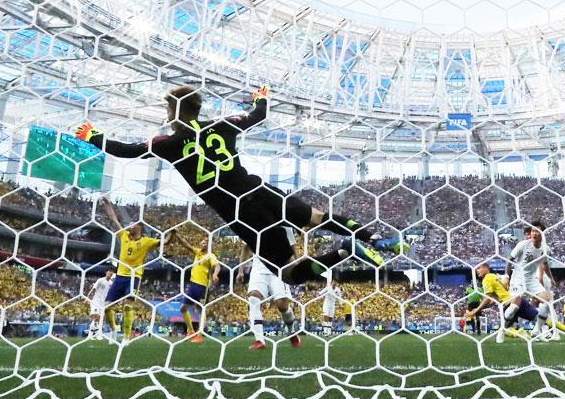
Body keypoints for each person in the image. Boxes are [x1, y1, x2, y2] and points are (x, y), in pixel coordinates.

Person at [75, 86, 397, 286]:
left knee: (288, 273)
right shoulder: (223, 125)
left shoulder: (167, 142)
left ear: (174, 111)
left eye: (167, 108)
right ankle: (372, 236)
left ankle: (345, 250)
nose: (166, 113)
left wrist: (94, 137)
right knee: (315, 216)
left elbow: (128, 150)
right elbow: (257, 115)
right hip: (257, 188)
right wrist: (261, 98)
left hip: (239, 211)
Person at [100, 198, 170, 345]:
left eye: (132, 224)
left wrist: (172, 233)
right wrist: (107, 203)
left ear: (139, 227)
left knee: (127, 305)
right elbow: (113, 219)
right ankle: (113, 331)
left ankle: (126, 337)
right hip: (120, 276)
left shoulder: (146, 241)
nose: (129, 226)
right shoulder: (124, 235)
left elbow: (165, 242)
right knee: (106, 307)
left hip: (134, 277)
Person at [468, 263, 565, 343]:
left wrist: (476, 310)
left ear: (486, 268)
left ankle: (522, 333)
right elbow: (494, 298)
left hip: (509, 304)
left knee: (505, 330)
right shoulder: (494, 276)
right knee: (543, 320)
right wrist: (481, 308)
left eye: (479, 268)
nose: (477, 271)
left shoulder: (486, 279)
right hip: (518, 301)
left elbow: (487, 298)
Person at [237, 226, 301, 350]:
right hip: (258, 269)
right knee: (253, 298)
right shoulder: (252, 225)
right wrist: (240, 270)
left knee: (282, 306)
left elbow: (293, 247)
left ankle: (292, 332)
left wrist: (297, 266)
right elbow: (245, 248)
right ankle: (259, 340)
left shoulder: (285, 226)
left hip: (279, 268)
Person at [504, 221, 553, 337]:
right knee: (514, 307)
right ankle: (503, 328)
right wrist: (506, 276)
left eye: (537, 231)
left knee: (548, 303)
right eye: (533, 231)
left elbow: (545, 265)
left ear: (543, 233)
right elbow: (509, 261)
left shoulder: (546, 249)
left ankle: (536, 330)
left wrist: (551, 278)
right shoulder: (523, 245)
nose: (534, 233)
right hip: (518, 278)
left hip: (531, 280)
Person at [174, 232, 219, 343]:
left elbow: (217, 265)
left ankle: (200, 335)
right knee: (183, 308)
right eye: (202, 242)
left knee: (201, 311)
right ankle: (190, 332)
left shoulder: (211, 256)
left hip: (202, 286)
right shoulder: (198, 252)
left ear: (208, 245)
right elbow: (186, 245)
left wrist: (215, 274)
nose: (202, 243)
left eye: (204, 242)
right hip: (192, 284)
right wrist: (177, 235)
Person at [86, 268, 114, 340]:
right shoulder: (100, 280)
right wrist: (87, 297)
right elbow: (93, 288)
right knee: (96, 316)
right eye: (109, 271)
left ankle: (92, 335)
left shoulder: (111, 283)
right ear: (106, 272)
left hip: (103, 303)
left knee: (100, 319)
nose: (111, 273)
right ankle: (95, 334)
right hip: (96, 301)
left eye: (112, 272)